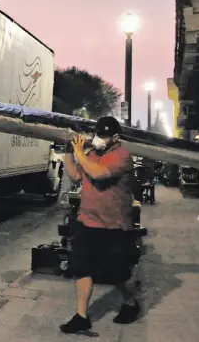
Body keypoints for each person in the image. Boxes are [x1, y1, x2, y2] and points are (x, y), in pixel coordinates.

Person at [60, 116, 140, 334]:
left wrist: (78, 153)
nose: (99, 139)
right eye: (98, 134)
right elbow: (76, 174)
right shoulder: (92, 154)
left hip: (114, 225)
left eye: (104, 136)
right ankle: (81, 316)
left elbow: (98, 173)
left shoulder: (121, 156)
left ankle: (131, 303)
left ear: (115, 138)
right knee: (81, 268)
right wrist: (69, 150)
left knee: (118, 273)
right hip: (87, 221)